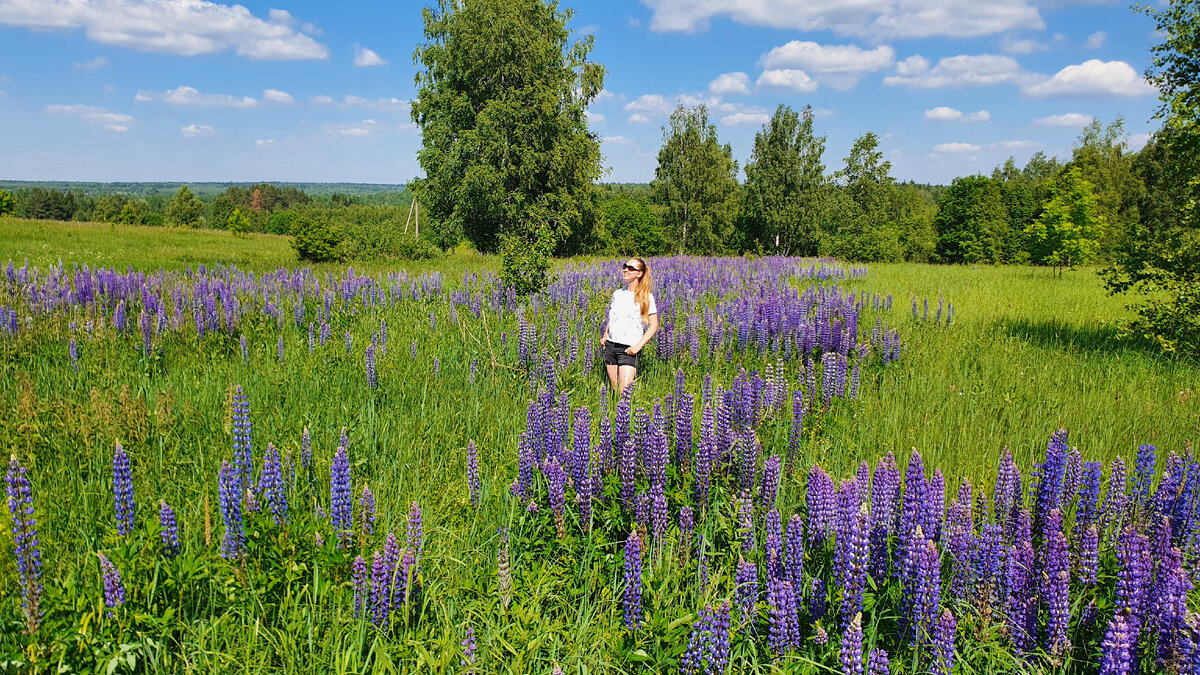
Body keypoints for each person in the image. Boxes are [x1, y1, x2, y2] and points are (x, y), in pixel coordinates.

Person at [600, 257, 658, 394]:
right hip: (611, 345)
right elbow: (613, 317)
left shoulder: (646, 296)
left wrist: (638, 346)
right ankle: (612, 413)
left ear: (639, 273)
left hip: (628, 348)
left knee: (624, 393)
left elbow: (654, 325)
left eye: (631, 268)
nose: (626, 269)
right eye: (625, 266)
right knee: (614, 390)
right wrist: (605, 335)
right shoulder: (617, 294)